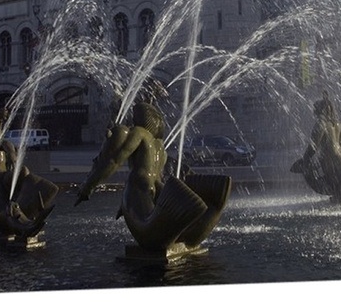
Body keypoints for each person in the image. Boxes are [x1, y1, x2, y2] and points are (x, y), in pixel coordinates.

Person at [76, 100, 231, 252]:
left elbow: (115, 160)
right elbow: (157, 175)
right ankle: (212, 205)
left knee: (149, 235)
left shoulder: (139, 132)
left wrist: (88, 188)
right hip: (156, 187)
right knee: (180, 234)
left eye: (134, 116)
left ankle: (182, 218)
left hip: (138, 184)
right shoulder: (160, 147)